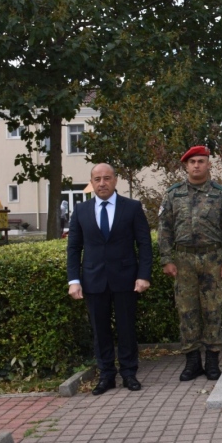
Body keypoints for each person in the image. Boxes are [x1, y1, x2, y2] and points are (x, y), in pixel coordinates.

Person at [66, 163, 152, 395]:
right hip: (93, 280)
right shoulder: (81, 211)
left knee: (126, 328)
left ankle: (129, 373)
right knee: (100, 330)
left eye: (107, 178)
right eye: (97, 179)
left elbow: (144, 243)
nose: (102, 183)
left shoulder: (132, 208)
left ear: (115, 180)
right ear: (91, 183)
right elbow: (73, 247)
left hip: (126, 278)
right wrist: (73, 280)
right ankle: (106, 376)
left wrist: (143, 275)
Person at [158, 145, 222, 382]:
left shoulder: (220, 194)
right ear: (185, 165)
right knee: (186, 310)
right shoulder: (173, 194)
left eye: (201, 161)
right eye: (192, 162)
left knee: (213, 309)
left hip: (213, 260)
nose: (196, 165)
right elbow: (164, 229)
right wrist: (166, 259)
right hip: (183, 260)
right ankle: (192, 362)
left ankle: (212, 362)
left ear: (208, 164)